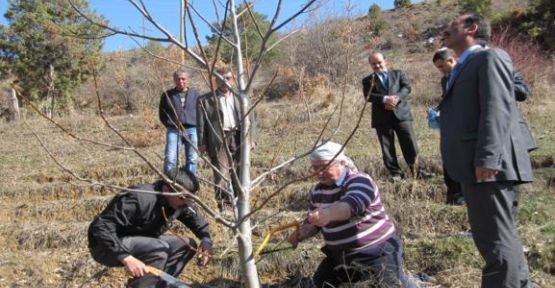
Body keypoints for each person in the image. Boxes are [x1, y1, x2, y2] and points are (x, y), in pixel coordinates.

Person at [440, 14, 533, 287]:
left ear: (472, 28)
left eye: (453, 24)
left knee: (495, 242)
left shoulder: (490, 58)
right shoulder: (463, 65)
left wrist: (488, 157)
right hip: (476, 165)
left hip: (488, 167)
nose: (445, 29)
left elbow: (497, 109)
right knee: (501, 237)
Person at [288, 141, 417, 287]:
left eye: (324, 167)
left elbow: (352, 205)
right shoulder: (317, 191)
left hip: (377, 253)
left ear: (342, 163)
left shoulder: (360, 181)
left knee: (392, 284)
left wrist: (328, 213)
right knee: (321, 284)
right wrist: (301, 233)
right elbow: (313, 223)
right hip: (340, 258)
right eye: (315, 168)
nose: (319, 172)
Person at [88, 169, 213, 288]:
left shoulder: (179, 203)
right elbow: (101, 227)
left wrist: (205, 239)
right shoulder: (140, 198)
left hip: (141, 240)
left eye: (190, 198)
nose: (186, 203)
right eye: (182, 197)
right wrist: (125, 257)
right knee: (159, 250)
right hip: (105, 246)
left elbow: (195, 220)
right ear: (166, 189)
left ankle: (156, 285)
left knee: (187, 245)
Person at [362, 52, 429, 180]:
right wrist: (385, 99)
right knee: (387, 147)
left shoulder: (398, 74)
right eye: (374, 63)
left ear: (385, 61)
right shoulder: (367, 80)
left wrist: (396, 99)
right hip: (381, 118)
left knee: (410, 143)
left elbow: (406, 88)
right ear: (370, 65)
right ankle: (395, 173)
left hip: (401, 115)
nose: (377, 65)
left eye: (379, 62)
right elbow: (368, 96)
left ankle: (419, 171)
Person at [197, 67, 255, 211]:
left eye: (228, 78)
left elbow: (252, 120)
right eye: (221, 79)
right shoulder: (205, 100)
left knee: (240, 172)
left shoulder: (242, 98)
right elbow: (201, 124)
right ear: (215, 80)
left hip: (239, 138)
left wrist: (251, 139)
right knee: (221, 175)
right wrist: (202, 143)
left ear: (233, 79)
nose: (225, 82)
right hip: (218, 139)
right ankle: (226, 208)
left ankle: (240, 206)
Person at [431, 48, 465, 205]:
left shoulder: (466, 74)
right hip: (449, 126)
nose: (440, 71)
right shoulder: (445, 79)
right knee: (448, 157)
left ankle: (463, 194)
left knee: (462, 159)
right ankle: (453, 193)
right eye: (438, 68)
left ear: (451, 60)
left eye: (442, 66)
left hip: (465, 126)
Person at [159, 68, 200, 175]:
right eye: (178, 79)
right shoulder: (167, 95)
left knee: (192, 159)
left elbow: (201, 113)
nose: (181, 81)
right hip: (174, 130)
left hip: (192, 130)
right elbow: (162, 114)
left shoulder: (195, 94)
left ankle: (190, 185)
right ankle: (168, 184)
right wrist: (170, 124)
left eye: (183, 79)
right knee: (170, 159)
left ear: (188, 80)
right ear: (174, 80)